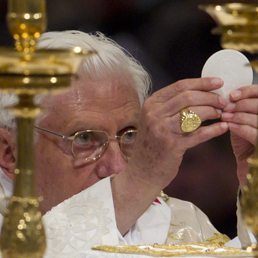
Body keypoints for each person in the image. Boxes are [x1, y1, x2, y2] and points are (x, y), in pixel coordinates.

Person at [0, 30, 256, 256]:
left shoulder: (178, 221)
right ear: (10, 153)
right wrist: (142, 178)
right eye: (84, 138)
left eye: (130, 134)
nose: (118, 166)